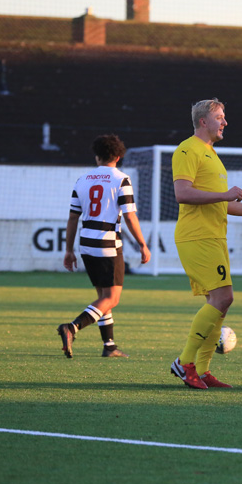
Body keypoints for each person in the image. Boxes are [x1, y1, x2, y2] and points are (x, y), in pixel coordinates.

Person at [169, 99, 242, 390]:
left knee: (220, 302)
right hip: (197, 235)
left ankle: (201, 370)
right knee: (223, 298)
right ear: (203, 121)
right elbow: (182, 193)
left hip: (213, 235)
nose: (224, 122)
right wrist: (226, 195)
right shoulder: (188, 149)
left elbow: (222, 203)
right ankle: (185, 362)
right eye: (219, 117)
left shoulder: (211, 154)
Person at [57, 134, 151, 358]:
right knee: (112, 297)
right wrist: (142, 244)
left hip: (86, 243)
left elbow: (72, 218)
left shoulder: (82, 180)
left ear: (97, 156)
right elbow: (130, 217)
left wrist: (69, 250)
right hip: (107, 243)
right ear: (118, 157)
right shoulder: (121, 179)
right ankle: (72, 327)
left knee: (102, 295)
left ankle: (109, 346)